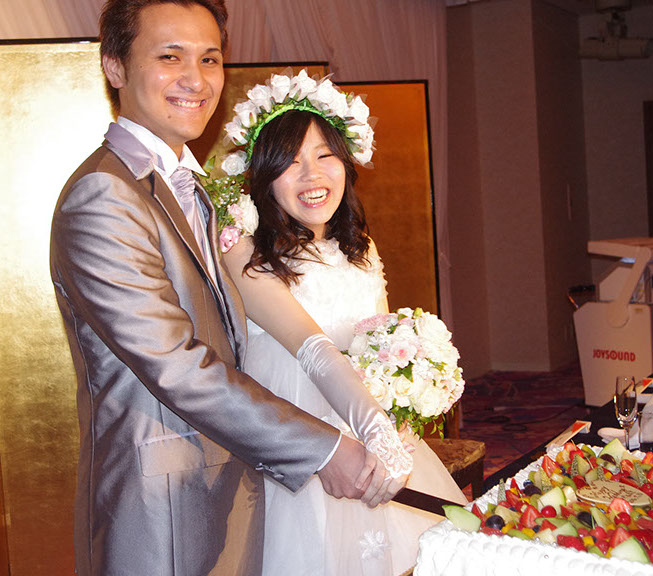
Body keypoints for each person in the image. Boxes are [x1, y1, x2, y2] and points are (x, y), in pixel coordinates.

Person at [49, 2, 404, 575]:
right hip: (160, 502)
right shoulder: (105, 195)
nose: (195, 79)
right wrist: (323, 447)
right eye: (171, 57)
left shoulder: (196, 190)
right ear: (115, 66)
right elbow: (176, 365)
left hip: (230, 480)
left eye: (210, 59)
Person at [221, 73, 468, 575]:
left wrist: (401, 414)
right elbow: (313, 349)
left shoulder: (360, 247)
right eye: (290, 162)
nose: (311, 175)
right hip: (306, 454)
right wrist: (376, 430)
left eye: (324, 155)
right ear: (263, 175)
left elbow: (379, 347)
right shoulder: (243, 250)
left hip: (373, 440)